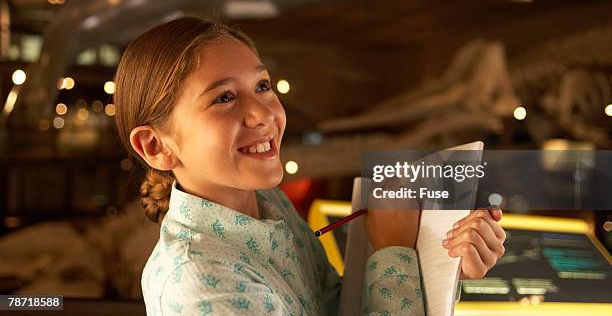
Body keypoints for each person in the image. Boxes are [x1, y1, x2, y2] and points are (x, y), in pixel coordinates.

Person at [113, 17, 506, 315]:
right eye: (224, 98)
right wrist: (394, 252)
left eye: (263, 86)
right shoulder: (198, 284)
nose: (263, 114)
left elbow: (338, 306)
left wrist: (444, 259)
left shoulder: (269, 203)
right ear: (155, 146)